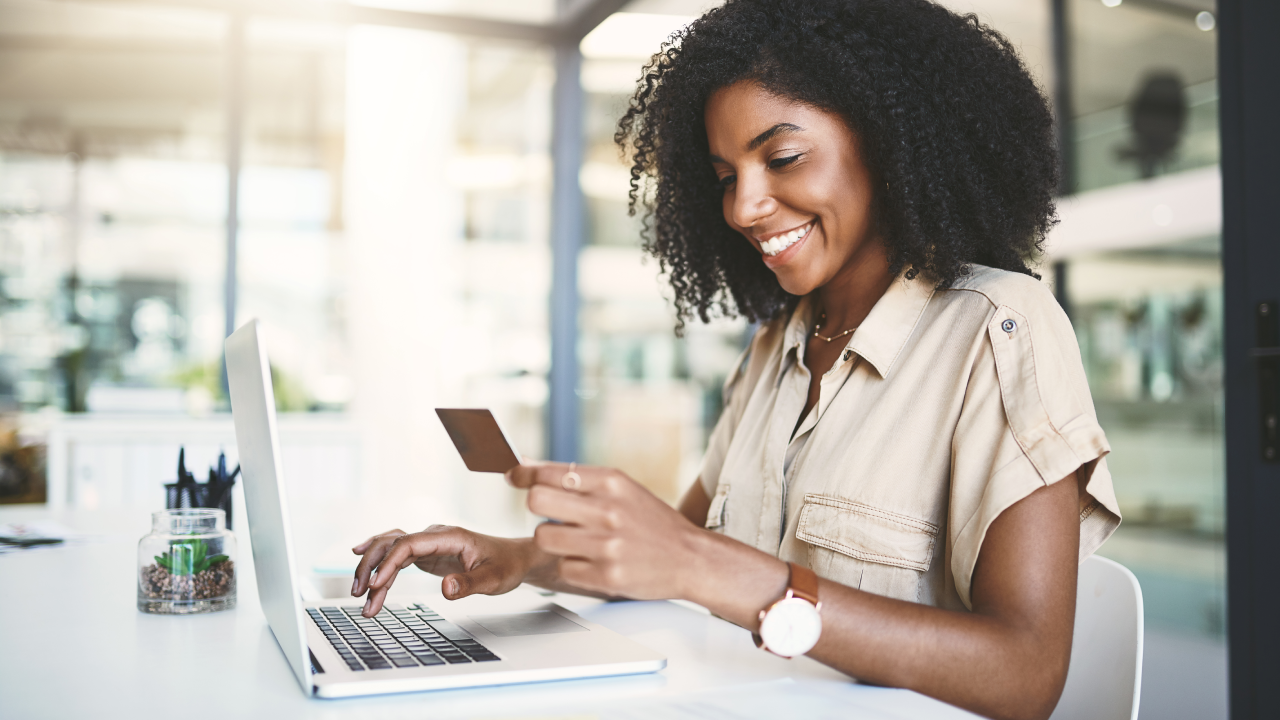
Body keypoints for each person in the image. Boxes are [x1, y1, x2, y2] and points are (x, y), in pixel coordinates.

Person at [350, 1, 1120, 718]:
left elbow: (1026, 674)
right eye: (725, 178)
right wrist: (513, 559)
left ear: (889, 142)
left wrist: (713, 571)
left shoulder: (999, 330)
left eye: (781, 157)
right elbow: (664, 553)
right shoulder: (774, 349)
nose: (744, 206)